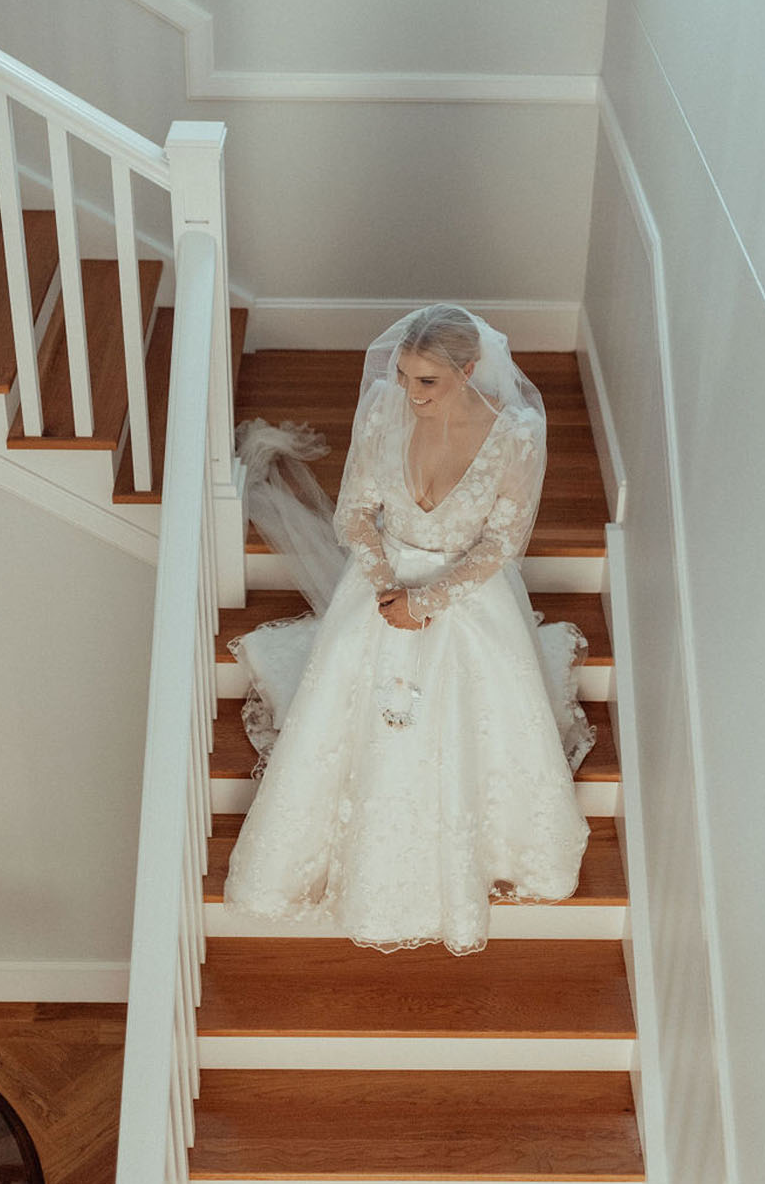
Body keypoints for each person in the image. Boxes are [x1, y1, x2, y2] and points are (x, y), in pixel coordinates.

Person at [224, 304, 593, 956]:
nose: (409, 393)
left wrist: (426, 601)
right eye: (403, 375)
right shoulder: (383, 412)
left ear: (470, 371)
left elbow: (502, 541)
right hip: (380, 584)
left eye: (427, 381)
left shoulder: (516, 435)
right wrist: (382, 582)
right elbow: (355, 515)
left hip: (465, 599)